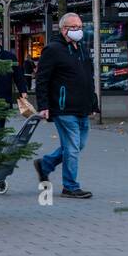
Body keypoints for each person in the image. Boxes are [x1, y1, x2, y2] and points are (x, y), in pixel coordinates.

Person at [34, 13, 97, 199]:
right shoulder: (53, 49)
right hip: (63, 108)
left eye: (80, 27)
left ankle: (45, 165)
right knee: (72, 147)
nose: (79, 30)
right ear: (64, 29)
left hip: (82, 107)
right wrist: (43, 105)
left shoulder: (82, 49)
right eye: (75, 27)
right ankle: (70, 186)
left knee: (78, 145)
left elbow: (88, 78)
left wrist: (93, 103)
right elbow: (42, 79)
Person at [0, 29, 28, 129]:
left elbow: (18, 75)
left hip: (4, 97)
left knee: (1, 125)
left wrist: (23, 90)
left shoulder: (9, 57)